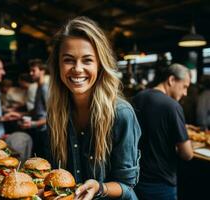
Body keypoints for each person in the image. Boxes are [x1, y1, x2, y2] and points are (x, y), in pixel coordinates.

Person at [42, 16, 141, 200]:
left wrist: (99, 187)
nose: (77, 69)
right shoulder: (55, 113)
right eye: (69, 60)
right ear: (58, 65)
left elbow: (127, 186)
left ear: (100, 65)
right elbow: (52, 173)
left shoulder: (121, 113)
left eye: (87, 60)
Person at [132, 63, 193, 200]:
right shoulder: (172, 106)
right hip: (161, 183)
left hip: (135, 180)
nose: (185, 93)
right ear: (171, 80)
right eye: (184, 87)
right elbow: (187, 154)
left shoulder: (137, 98)